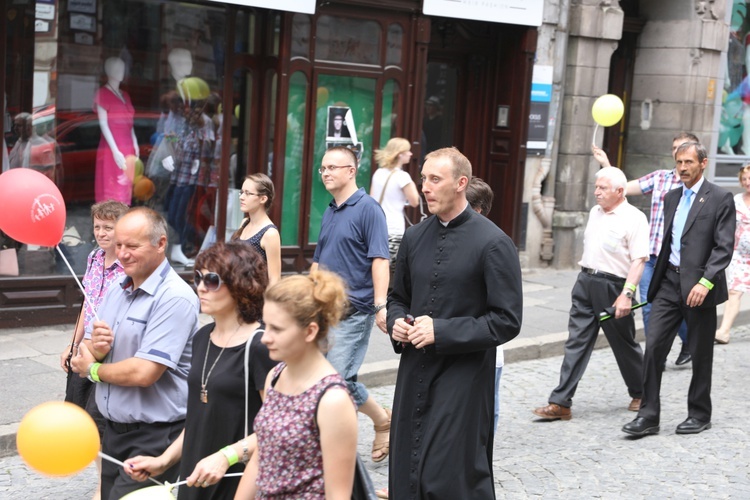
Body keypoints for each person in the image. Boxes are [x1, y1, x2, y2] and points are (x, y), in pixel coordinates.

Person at [387, 147, 523, 499]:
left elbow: (506, 321)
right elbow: (397, 297)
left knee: (447, 476)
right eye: (423, 179)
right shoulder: (415, 237)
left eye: (435, 179)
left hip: (464, 377)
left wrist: (442, 330)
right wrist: (398, 321)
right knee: (406, 471)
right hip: (414, 369)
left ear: (461, 183)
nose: (426, 188)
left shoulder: (493, 242)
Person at [124, 242, 277, 499]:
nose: (201, 287)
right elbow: (198, 418)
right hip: (195, 477)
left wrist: (226, 456)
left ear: (241, 285)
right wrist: (163, 461)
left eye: (212, 280)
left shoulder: (261, 346)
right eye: (197, 278)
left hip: (237, 481)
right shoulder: (202, 337)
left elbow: (278, 427)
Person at [70, 207, 200, 499]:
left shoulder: (175, 297)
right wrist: (97, 350)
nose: (123, 254)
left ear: (161, 244)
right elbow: (88, 346)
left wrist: (92, 369)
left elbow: (144, 372)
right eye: (118, 245)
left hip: (153, 435)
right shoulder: (118, 287)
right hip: (113, 429)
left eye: (132, 246)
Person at [623, 142, 735, 437]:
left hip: (700, 287)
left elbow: (724, 248)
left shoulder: (720, 198)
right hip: (669, 284)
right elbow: (670, 241)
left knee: (700, 354)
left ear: (703, 163)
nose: (682, 168)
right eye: (678, 163)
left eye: (688, 162)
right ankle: (648, 416)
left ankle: (699, 414)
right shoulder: (671, 196)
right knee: (654, 348)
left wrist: (706, 282)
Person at [533, 167, 648, 421]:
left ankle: (642, 392)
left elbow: (639, 260)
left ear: (620, 192)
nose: (596, 192)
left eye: (603, 188)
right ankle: (561, 402)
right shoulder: (596, 212)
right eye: (596, 187)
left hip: (614, 287)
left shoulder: (634, 217)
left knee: (623, 343)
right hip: (585, 282)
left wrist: (627, 294)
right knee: (576, 341)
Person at [234, 270, 358, 498]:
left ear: (310, 331)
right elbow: (262, 455)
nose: (265, 337)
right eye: (266, 325)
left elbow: (338, 494)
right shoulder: (275, 376)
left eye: (277, 329)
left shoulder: (332, 400)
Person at [310, 145, 393, 463]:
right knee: (339, 379)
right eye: (323, 168)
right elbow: (319, 260)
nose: (326, 173)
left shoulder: (369, 209)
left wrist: (380, 305)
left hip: (354, 311)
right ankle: (383, 420)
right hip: (323, 311)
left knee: (333, 384)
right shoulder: (331, 209)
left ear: (351, 170)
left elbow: (380, 260)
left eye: (332, 167)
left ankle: (326, 456)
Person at [592, 132, 699, 366]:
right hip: (651, 257)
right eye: (674, 148)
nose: (677, 152)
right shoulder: (660, 178)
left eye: (683, 148)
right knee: (649, 305)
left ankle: (690, 341)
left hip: (678, 261)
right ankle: (655, 355)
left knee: (678, 306)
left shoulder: (699, 189)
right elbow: (622, 188)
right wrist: (606, 164)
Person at [60, 200, 128, 500]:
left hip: (108, 351)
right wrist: (73, 344)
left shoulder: (128, 265)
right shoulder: (93, 258)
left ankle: (105, 486)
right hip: (84, 350)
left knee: (101, 422)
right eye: (98, 227)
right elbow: (87, 303)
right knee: (83, 422)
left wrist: (89, 348)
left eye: (108, 228)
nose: (102, 233)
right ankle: (103, 480)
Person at [465, 177, 506, 431]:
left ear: (477, 210)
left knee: (488, 410)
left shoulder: (493, 245)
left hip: (486, 349)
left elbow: (504, 312)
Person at [371, 138, 420, 278]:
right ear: (400, 154)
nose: (411, 154)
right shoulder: (402, 176)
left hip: (377, 228)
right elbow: (415, 201)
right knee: (394, 271)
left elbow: (373, 198)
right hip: (394, 229)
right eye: (408, 151)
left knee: (377, 266)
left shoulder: (378, 173)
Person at [94, 57, 139, 205]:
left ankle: (123, 222)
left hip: (128, 146)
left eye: (122, 68)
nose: (121, 72)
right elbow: (103, 124)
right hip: (113, 147)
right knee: (113, 185)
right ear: (108, 71)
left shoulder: (125, 95)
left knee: (125, 185)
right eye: (117, 69)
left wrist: (135, 142)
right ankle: (110, 222)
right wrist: (114, 150)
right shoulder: (102, 93)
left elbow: (130, 123)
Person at [715, 163, 750, 344]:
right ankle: (724, 331)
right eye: (744, 179)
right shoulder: (737, 200)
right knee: (734, 291)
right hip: (740, 255)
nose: (747, 182)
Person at [231, 173, 282, 285]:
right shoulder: (244, 223)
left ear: (263, 199)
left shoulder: (270, 233)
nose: (241, 197)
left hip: (254, 298)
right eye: (241, 192)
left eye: (247, 193)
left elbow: (274, 279)